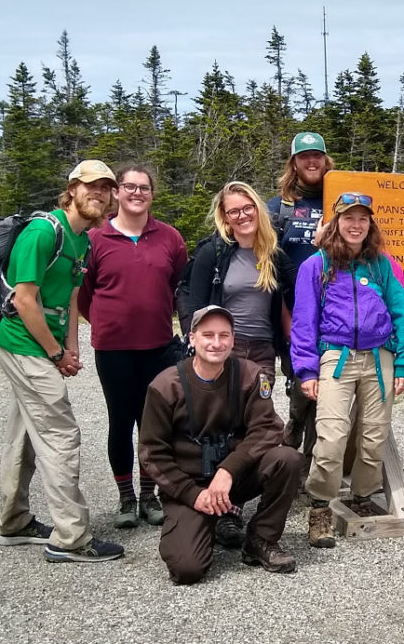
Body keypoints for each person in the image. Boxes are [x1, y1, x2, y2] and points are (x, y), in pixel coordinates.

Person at [0, 159, 124, 563]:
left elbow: (69, 295)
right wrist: (54, 352)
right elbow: (24, 300)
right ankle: (71, 538)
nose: (97, 193)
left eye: (105, 187)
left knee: (27, 434)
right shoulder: (42, 231)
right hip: (23, 345)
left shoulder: (81, 238)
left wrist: (72, 348)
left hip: (41, 347)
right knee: (62, 436)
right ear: (71, 190)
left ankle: (13, 523)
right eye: (90, 186)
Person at [292, 192, 404, 548]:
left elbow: (402, 314)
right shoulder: (315, 265)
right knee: (331, 438)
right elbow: (304, 322)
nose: (355, 225)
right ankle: (320, 506)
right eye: (349, 218)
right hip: (335, 358)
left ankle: (363, 497)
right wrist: (306, 370)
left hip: (380, 358)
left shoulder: (382, 265)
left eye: (362, 219)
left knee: (374, 436)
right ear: (336, 223)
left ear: (370, 224)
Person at [139, 306, 303, 584]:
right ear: (192, 338)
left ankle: (260, 540)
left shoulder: (250, 375)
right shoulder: (165, 386)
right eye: (208, 335)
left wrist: (227, 471)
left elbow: (267, 428)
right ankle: (206, 523)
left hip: (232, 480)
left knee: (287, 459)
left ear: (233, 339)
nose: (216, 343)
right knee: (187, 569)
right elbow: (152, 454)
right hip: (190, 487)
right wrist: (192, 495)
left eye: (224, 335)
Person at [185, 180, 295, 546]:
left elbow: (298, 294)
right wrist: (196, 342)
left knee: (257, 425)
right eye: (234, 211)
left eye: (247, 207)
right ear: (225, 217)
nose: (242, 215)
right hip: (223, 351)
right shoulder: (213, 252)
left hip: (262, 351)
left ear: (258, 209)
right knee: (223, 427)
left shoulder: (274, 253)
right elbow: (193, 301)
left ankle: (242, 499)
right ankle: (223, 509)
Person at [78, 163, 188, 529]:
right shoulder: (95, 239)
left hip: (158, 346)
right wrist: (105, 322)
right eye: (129, 186)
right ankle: (126, 498)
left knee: (154, 424)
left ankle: (149, 495)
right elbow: (84, 293)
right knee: (120, 421)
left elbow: (178, 285)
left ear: (152, 194)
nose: (137, 193)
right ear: (117, 192)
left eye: (144, 187)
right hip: (113, 349)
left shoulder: (169, 238)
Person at [268, 132, 335, 456]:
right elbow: (270, 265)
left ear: (325, 160)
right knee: (302, 381)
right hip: (293, 312)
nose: (312, 161)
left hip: (335, 311)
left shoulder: (338, 200)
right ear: (293, 163)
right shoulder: (279, 207)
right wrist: (284, 316)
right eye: (304, 156)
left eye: (317, 156)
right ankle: (294, 426)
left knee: (327, 391)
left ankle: (310, 464)